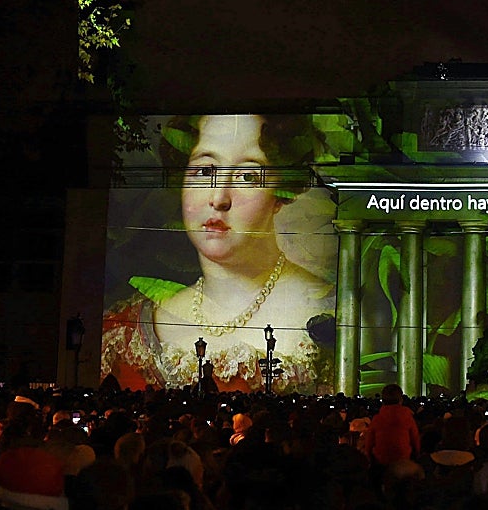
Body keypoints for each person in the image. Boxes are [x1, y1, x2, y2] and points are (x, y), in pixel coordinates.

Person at [101, 114, 335, 392]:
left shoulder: (330, 310)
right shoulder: (122, 328)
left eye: (248, 176)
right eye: (205, 171)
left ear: (282, 191)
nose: (219, 197)